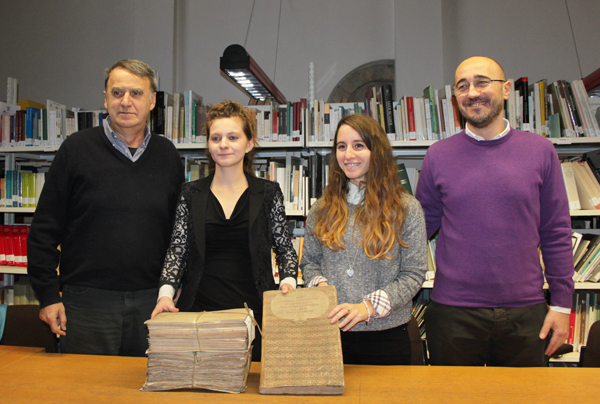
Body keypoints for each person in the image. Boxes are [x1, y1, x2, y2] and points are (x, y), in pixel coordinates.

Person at [415, 56, 575, 367]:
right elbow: (417, 228)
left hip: (526, 313)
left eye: (481, 82)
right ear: (456, 98)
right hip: (452, 314)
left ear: (505, 90)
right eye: (463, 86)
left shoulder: (541, 151)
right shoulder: (438, 156)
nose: (472, 92)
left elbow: (556, 231)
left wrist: (563, 305)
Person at [27, 59, 185, 356]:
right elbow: (44, 230)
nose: (126, 102)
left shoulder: (168, 156)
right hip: (87, 303)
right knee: (84, 392)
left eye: (136, 93)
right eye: (117, 93)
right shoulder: (75, 150)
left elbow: (180, 233)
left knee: (147, 393)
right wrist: (48, 295)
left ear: (152, 101)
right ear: (105, 98)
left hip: (151, 302)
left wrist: (176, 286)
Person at [151, 100, 298, 362]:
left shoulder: (267, 193)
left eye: (233, 137)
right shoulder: (190, 194)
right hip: (199, 312)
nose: (223, 144)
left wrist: (288, 282)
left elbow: (285, 249)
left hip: (254, 316)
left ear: (249, 143)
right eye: (216, 138)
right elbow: (177, 250)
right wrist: (165, 295)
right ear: (209, 144)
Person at [301, 114, 428, 365]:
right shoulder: (321, 208)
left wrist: (366, 308)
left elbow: (413, 274)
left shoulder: (406, 208)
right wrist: (322, 289)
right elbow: (309, 263)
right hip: (330, 333)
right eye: (341, 146)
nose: (348, 155)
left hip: (387, 337)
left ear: (376, 151)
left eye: (359, 145)